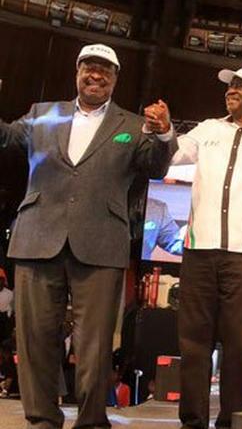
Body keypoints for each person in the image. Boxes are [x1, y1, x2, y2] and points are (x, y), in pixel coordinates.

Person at [0, 44, 174, 428]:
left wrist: (163, 135)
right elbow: (8, 140)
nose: (96, 76)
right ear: (77, 72)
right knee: (34, 340)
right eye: (89, 69)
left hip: (100, 244)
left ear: (115, 78)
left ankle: (93, 421)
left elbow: (155, 166)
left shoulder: (132, 125)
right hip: (37, 238)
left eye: (105, 71)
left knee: (94, 345)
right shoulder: (42, 114)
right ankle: (42, 418)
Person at [143, 40, 242, 429]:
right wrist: (164, 131)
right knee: (193, 344)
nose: (230, 89)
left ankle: (233, 421)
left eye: (241, 86)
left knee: (241, 347)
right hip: (200, 252)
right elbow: (176, 154)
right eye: (228, 86)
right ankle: (192, 421)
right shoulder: (209, 129)